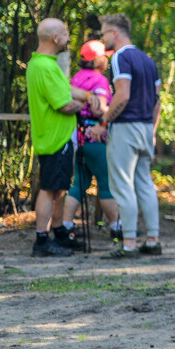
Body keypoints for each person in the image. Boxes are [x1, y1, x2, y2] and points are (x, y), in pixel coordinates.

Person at [94, 13, 162, 258]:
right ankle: (153, 239)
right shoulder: (147, 59)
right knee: (144, 183)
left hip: (126, 127)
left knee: (122, 185)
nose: (102, 40)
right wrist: (151, 131)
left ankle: (129, 243)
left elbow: (122, 95)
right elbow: (157, 101)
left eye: (103, 34)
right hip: (145, 127)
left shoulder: (120, 57)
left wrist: (103, 122)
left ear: (114, 33)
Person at [27, 19, 89, 256]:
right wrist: (84, 106)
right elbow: (64, 104)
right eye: (65, 33)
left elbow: (64, 91)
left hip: (52, 136)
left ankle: (59, 230)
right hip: (55, 138)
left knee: (58, 188)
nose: (68, 38)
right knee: (49, 188)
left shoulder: (41, 63)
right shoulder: (46, 67)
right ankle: (41, 240)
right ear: (55, 38)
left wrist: (87, 95)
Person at [62, 40, 121, 247]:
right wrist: (115, 112)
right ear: (97, 60)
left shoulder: (76, 77)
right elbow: (100, 109)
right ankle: (117, 226)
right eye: (105, 55)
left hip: (78, 138)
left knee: (80, 183)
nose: (107, 58)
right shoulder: (100, 80)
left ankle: (66, 225)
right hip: (96, 137)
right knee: (105, 183)